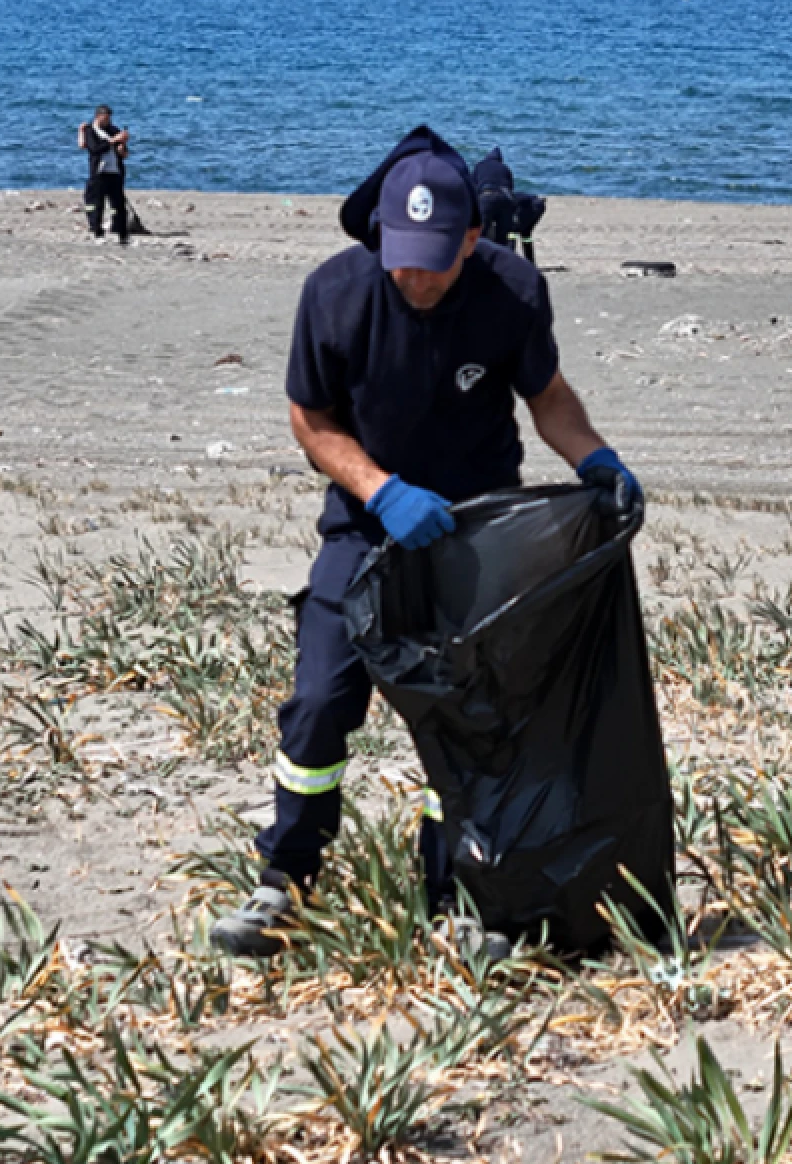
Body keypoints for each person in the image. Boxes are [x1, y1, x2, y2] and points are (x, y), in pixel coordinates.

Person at [210, 125, 642, 960]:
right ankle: (284, 882)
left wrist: (594, 456)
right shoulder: (334, 294)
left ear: (472, 239)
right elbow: (311, 419)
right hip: (368, 525)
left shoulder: (513, 290)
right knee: (319, 702)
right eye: (400, 257)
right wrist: (379, 489)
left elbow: (545, 394)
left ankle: (461, 898)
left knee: (470, 719)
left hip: (478, 530)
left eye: (434, 261)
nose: (415, 276)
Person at [472, 147, 546, 262]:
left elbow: (473, 188)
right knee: (504, 235)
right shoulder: (505, 168)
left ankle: (478, 261)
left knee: (481, 232)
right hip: (505, 199)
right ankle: (502, 263)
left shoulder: (480, 166)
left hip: (487, 197)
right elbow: (511, 189)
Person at [77, 105, 130, 244]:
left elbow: (124, 154)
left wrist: (121, 146)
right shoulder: (90, 130)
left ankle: (121, 233)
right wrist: (112, 141)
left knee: (118, 205)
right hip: (99, 172)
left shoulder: (114, 130)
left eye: (109, 118)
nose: (107, 121)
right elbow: (94, 148)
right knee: (96, 203)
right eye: (105, 118)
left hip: (115, 172)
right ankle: (97, 231)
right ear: (98, 117)